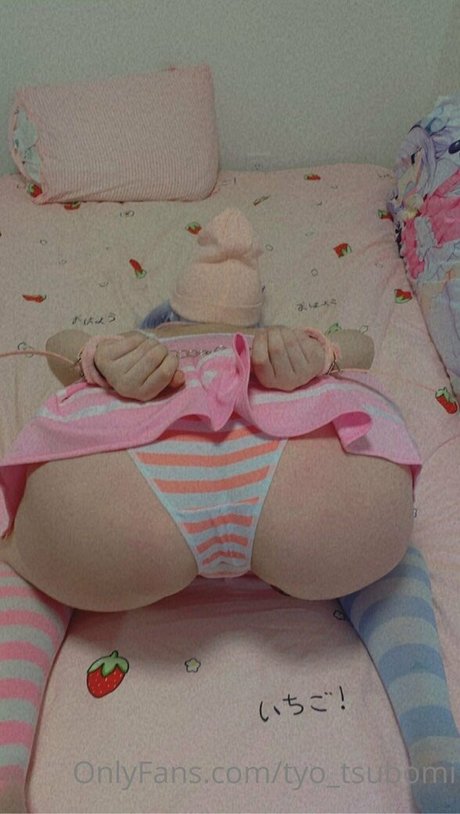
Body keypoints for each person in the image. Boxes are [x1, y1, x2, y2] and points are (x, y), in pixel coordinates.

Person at [0, 208, 458, 813]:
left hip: (125, 486)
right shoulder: (260, 342)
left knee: (26, 567)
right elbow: (361, 347)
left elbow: (60, 350)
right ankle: (436, 748)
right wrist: (319, 352)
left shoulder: (148, 341)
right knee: (386, 561)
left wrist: (96, 358)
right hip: (306, 473)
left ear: (166, 317)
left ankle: (6, 769)